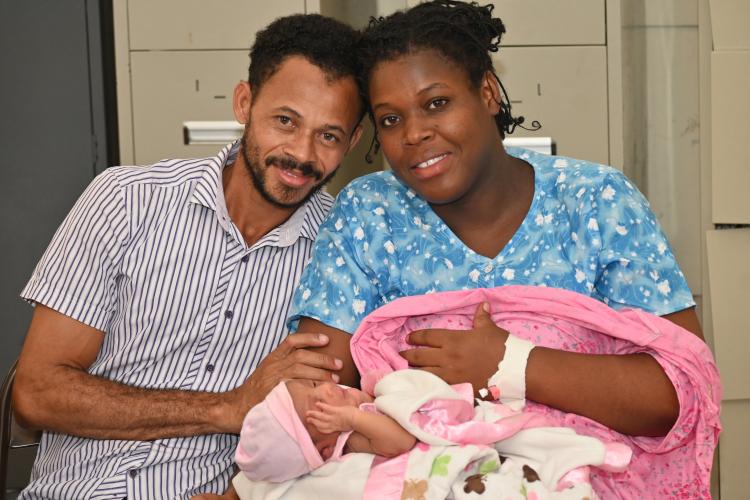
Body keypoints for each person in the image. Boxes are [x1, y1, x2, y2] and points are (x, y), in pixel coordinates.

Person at [290, 0, 704, 461]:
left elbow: (677, 391)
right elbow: (317, 387)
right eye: (391, 119)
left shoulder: (594, 200)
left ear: (487, 92)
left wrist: (509, 364)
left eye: (436, 104)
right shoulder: (369, 212)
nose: (414, 133)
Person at [12, 13, 364, 499]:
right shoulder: (125, 201)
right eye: (285, 120)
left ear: (354, 141)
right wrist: (226, 407)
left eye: (328, 135)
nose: (301, 154)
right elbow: (36, 393)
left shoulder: (344, 251)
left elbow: (325, 434)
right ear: (244, 103)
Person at [235, 378, 416, 483]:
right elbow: (403, 441)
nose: (326, 388)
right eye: (320, 407)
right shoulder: (351, 442)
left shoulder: (343, 419)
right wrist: (353, 418)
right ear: (325, 451)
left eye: (313, 385)